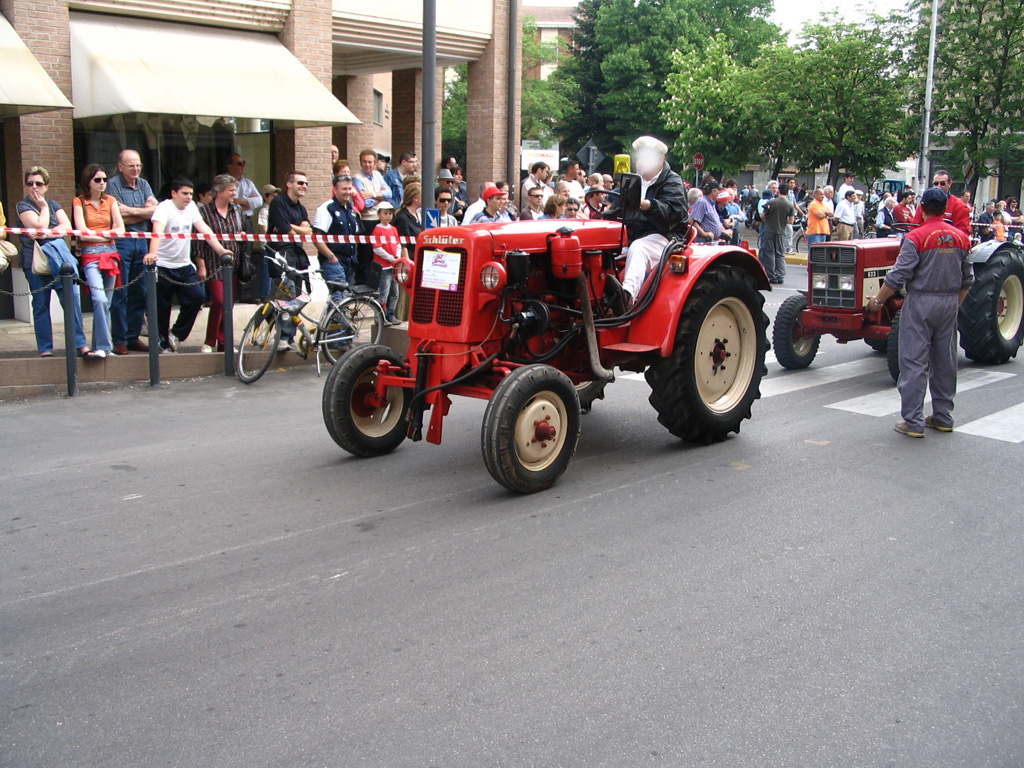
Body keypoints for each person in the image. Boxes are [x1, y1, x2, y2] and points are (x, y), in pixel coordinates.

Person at [867, 187, 972, 437]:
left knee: (914, 362)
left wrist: (878, 302)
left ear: (922, 208)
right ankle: (943, 416)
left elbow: (898, 276)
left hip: (921, 302)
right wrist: (952, 306)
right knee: (945, 362)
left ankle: (913, 422)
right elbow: (968, 280)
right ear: (945, 208)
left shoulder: (916, 238)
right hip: (949, 303)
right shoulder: (961, 238)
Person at [144, 179, 232, 353]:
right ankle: (162, 342)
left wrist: (221, 250)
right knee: (162, 307)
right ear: (173, 193)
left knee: (197, 297)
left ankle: (176, 333)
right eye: (185, 193)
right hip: (163, 265)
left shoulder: (191, 207)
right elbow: (157, 232)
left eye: (191, 194)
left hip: (184, 265)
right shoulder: (164, 208)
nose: (188, 197)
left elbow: (205, 230)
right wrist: (153, 253)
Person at [605, 136, 688, 312]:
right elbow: (618, 210)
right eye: (639, 157)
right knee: (601, 252)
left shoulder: (672, 181)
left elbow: (672, 214)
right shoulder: (633, 181)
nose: (640, 162)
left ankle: (626, 298)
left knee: (639, 248)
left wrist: (647, 204)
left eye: (646, 158)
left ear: (660, 160)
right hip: (633, 235)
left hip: (665, 236)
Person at [18, 166, 91, 358]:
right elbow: (38, 224)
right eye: (30, 183)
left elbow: (66, 227)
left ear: (46, 186)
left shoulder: (54, 204)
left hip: (59, 261)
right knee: (41, 304)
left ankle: (80, 344)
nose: (34, 187)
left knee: (71, 300)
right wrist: (43, 210)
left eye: (39, 183)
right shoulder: (23, 206)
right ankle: (45, 348)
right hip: (35, 261)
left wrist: (46, 232)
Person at [107, 149, 157, 355]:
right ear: (120, 167)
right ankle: (119, 339)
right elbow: (119, 218)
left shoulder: (144, 184)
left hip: (143, 242)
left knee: (140, 292)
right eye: (131, 166)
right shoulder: (112, 185)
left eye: (138, 165)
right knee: (121, 292)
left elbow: (155, 211)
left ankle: (132, 336)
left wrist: (131, 211)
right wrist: (142, 212)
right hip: (122, 242)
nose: (136, 169)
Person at [72, 164, 126, 358]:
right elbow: (82, 232)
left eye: (104, 179)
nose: (102, 183)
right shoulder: (79, 201)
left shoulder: (110, 200)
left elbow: (120, 231)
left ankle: (100, 346)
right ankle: (104, 346)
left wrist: (101, 235)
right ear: (88, 182)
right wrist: (107, 235)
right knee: (99, 299)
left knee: (106, 302)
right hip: (91, 254)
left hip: (111, 253)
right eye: (97, 180)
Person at [195, 174, 243, 353]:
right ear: (219, 191)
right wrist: (201, 265)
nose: (234, 193)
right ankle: (210, 340)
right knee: (219, 301)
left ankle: (225, 342)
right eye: (231, 190)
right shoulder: (205, 212)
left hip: (234, 263)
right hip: (214, 263)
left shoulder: (236, 210)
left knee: (228, 305)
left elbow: (241, 232)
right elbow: (199, 241)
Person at [265, 171, 312, 349]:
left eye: (306, 184)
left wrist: (293, 228)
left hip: (298, 255)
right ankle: (282, 337)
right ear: (289, 184)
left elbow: (308, 231)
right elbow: (287, 232)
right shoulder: (278, 202)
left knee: (297, 297)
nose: (304, 186)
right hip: (281, 255)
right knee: (286, 295)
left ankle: (290, 336)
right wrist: (297, 228)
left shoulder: (300, 207)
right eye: (300, 183)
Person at [312, 173, 362, 299]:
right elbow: (317, 237)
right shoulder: (327, 208)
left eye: (350, 188)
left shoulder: (351, 208)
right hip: (334, 262)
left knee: (343, 301)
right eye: (344, 189)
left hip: (350, 261)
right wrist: (331, 257)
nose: (348, 192)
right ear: (335, 189)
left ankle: (332, 319)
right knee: (338, 300)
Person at [353, 149, 392, 283]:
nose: (367, 165)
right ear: (361, 162)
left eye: (370, 162)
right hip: (366, 221)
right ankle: (362, 283)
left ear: (375, 163)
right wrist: (380, 197)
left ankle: (373, 283)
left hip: (378, 219)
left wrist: (373, 194)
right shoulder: (357, 178)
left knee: (377, 254)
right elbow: (365, 203)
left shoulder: (377, 175)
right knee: (366, 254)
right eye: (364, 162)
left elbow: (390, 194)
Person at [912, 169, 971, 236]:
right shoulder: (925, 204)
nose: (939, 186)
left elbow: (963, 233)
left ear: (950, 184)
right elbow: (914, 227)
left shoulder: (960, 206)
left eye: (942, 183)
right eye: (936, 183)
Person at [371, 202, 401, 325]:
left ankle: (391, 314)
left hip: (393, 265)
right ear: (379, 214)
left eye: (390, 213)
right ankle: (380, 316)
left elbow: (398, 244)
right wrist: (390, 258)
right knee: (383, 293)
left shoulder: (393, 229)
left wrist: (397, 256)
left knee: (395, 293)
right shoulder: (377, 230)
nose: (388, 216)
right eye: (385, 213)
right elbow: (377, 248)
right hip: (383, 267)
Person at [760, 186, 794, 284]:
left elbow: (762, 215)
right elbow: (791, 221)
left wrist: (768, 220)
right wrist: (783, 221)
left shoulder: (771, 202)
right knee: (780, 254)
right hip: (781, 232)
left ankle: (772, 276)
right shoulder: (789, 205)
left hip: (769, 230)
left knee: (769, 253)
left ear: (778, 191)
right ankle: (780, 275)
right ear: (787, 193)